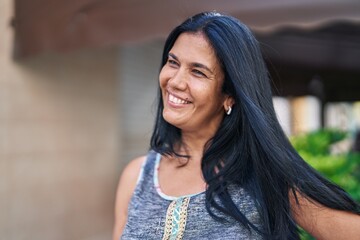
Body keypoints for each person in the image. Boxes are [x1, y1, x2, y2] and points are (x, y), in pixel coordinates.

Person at [113, 12, 360, 240]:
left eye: (198, 72)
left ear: (229, 95)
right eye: (173, 62)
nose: (175, 81)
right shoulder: (136, 176)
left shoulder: (264, 177)